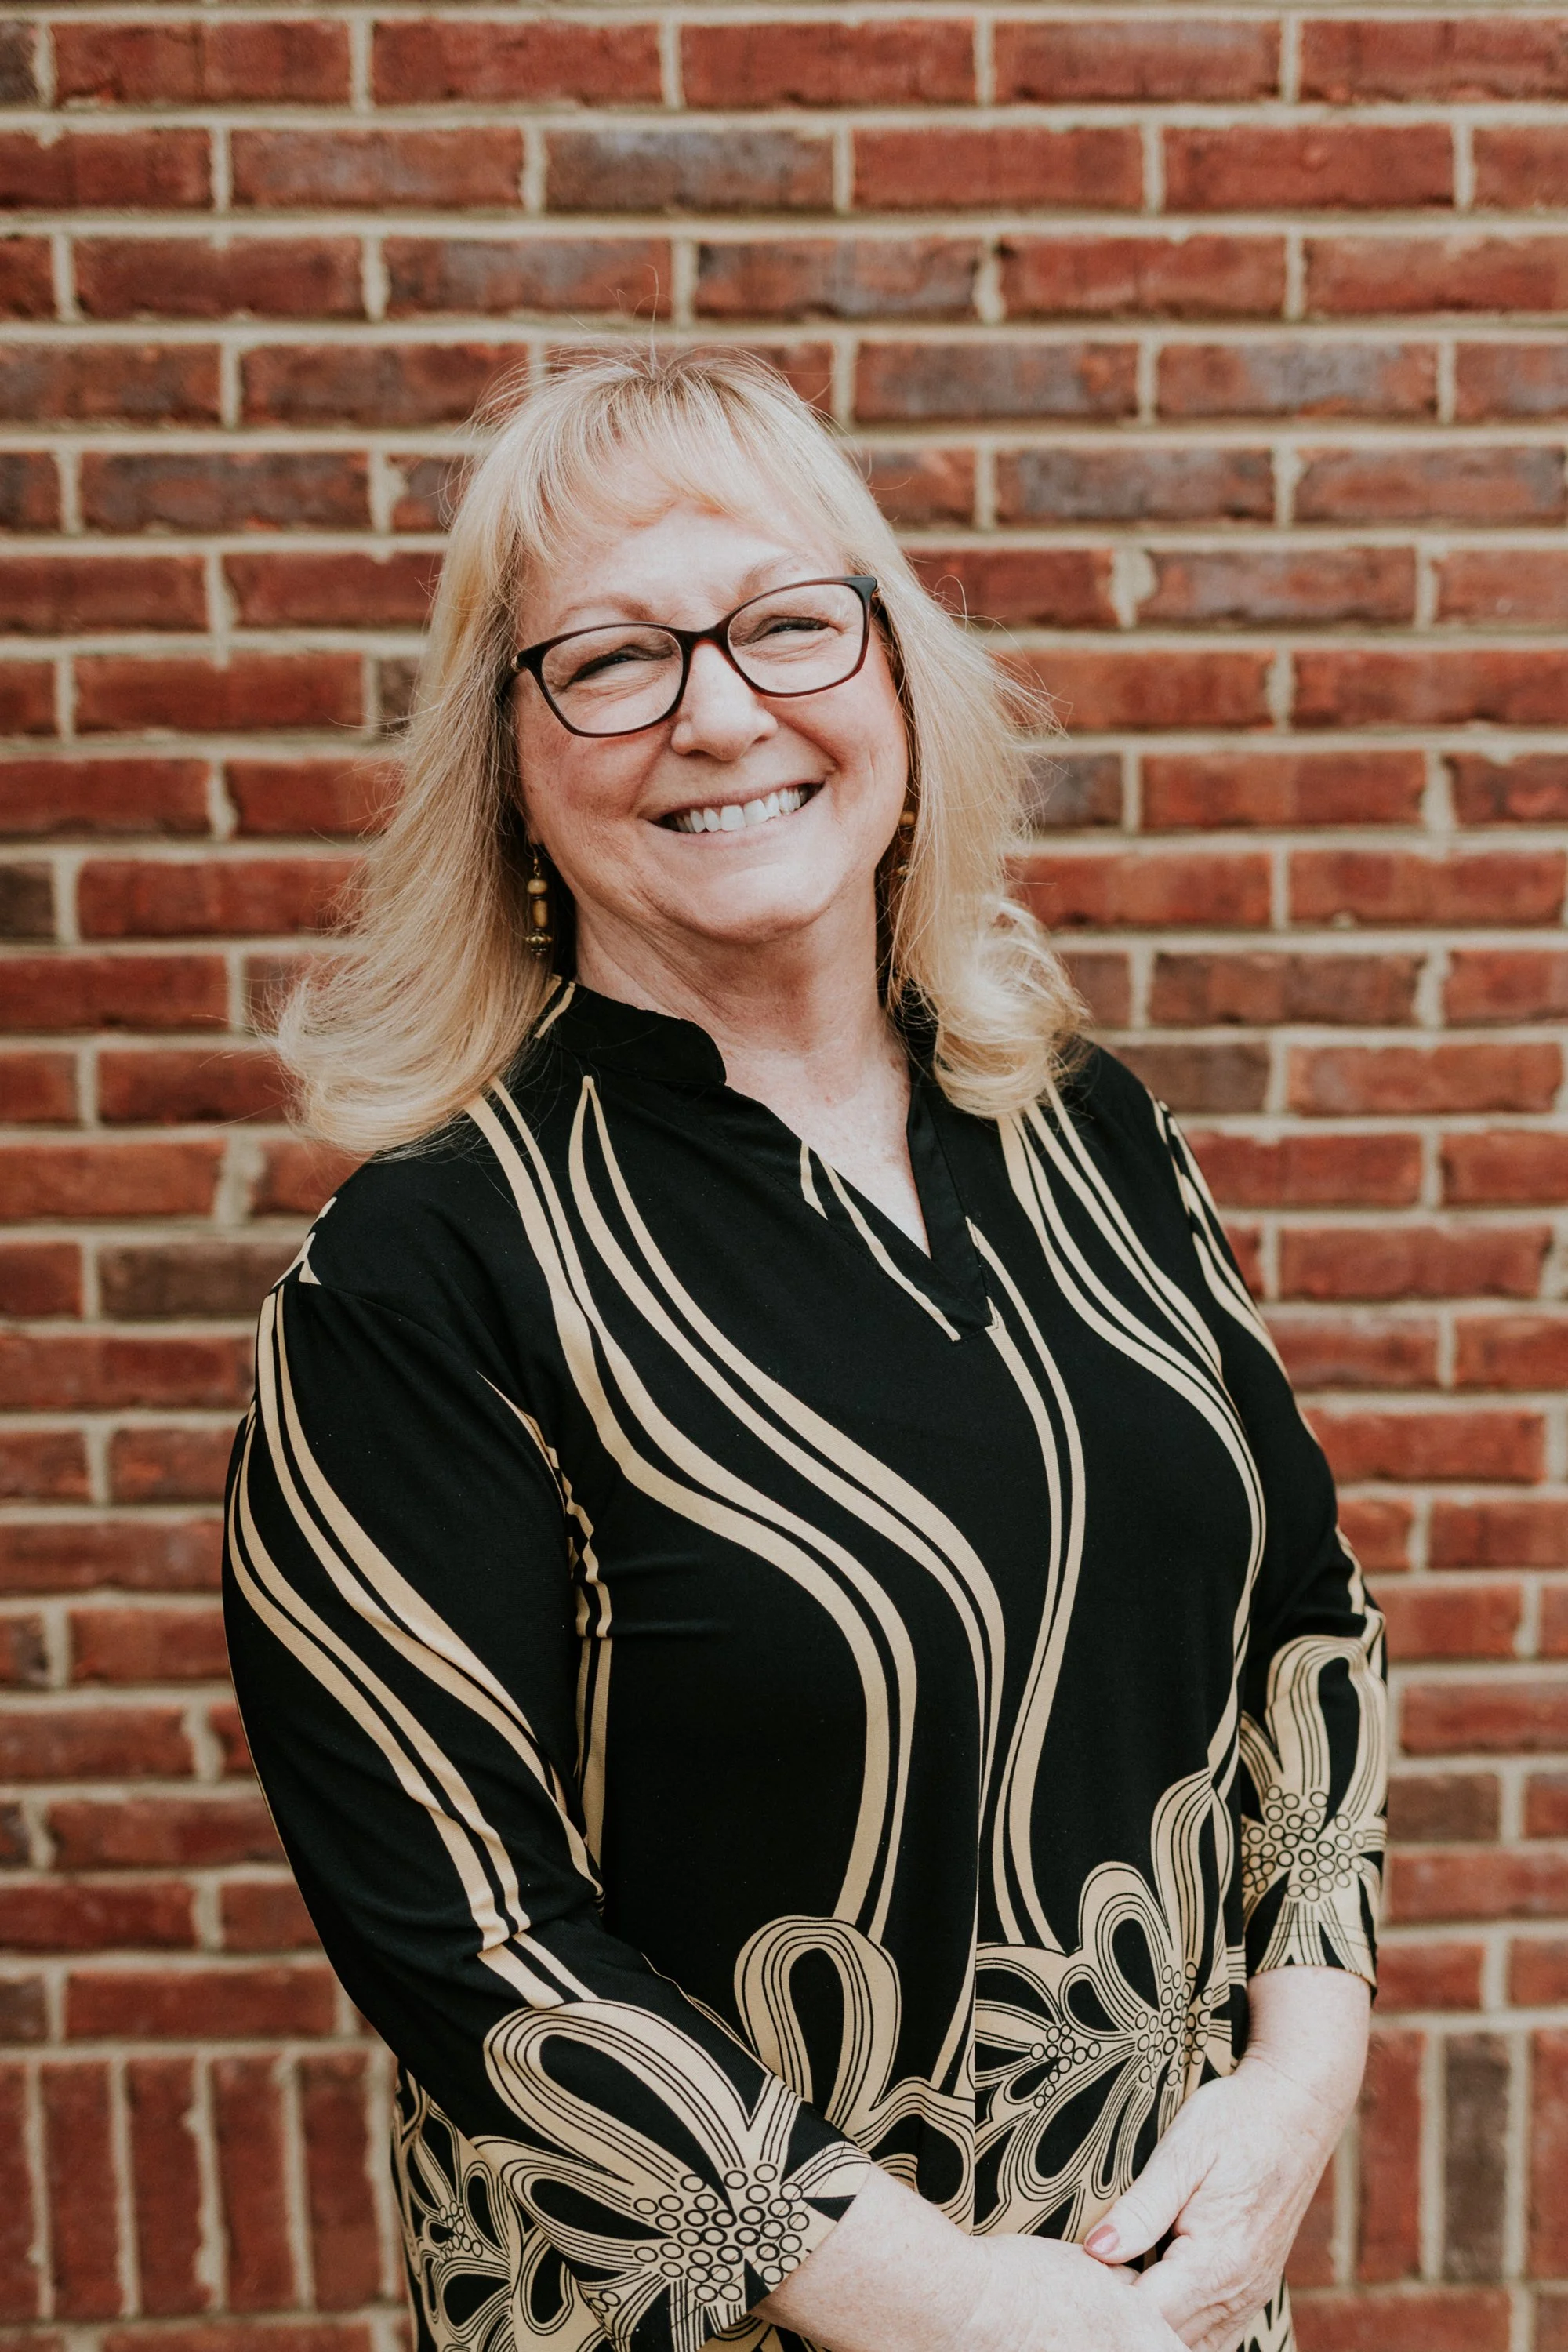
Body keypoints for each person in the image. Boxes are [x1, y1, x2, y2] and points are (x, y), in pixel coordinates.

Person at [223, 348, 1387, 2352]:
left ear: (896, 682)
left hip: (1159, 2305)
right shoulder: (421, 1276)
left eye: (784, 622)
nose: (720, 709)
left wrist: (1302, 2080)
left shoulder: (1083, 1128)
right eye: (610, 657)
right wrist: (959, 2312)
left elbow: (1306, 1621)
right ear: (507, 756)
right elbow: (474, 1941)